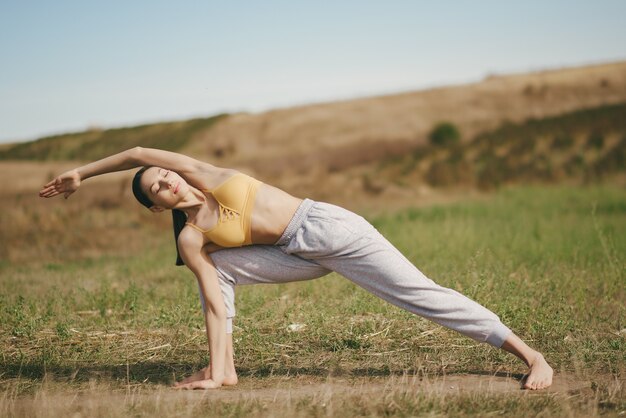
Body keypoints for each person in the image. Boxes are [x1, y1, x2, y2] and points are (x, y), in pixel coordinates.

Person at [38, 146, 554, 390]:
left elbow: (137, 151)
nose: (168, 181)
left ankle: (531, 356)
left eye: (165, 176)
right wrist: (216, 362)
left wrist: (82, 172)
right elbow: (214, 301)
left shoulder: (210, 175)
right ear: (157, 208)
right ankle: (224, 371)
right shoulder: (193, 237)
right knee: (215, 273)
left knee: (419, 294)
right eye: (157, 188)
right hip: (293, 256)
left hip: (328, 230)